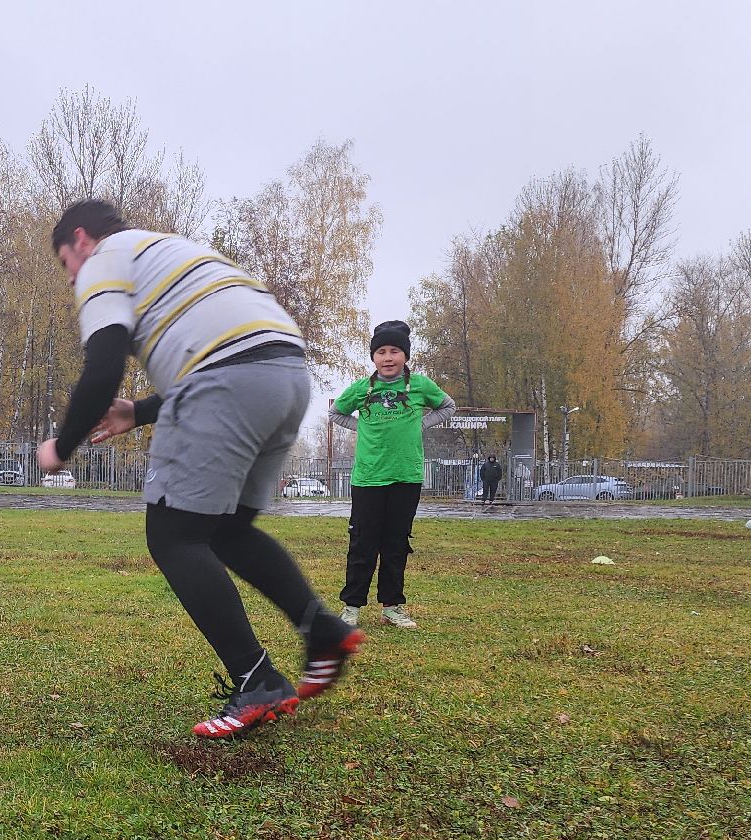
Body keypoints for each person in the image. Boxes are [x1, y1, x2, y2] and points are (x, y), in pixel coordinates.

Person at [38, 200, 362, 740]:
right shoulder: (172, 250)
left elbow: (103, 366)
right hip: (285, 375)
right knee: (229, 531)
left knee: (174, 536)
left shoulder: (103, 259)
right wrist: (138, 412)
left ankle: (257, 680)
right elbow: (222, 344)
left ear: (80, 240)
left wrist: (63, 447)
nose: (71, 275)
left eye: (65, 261)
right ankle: (323, 630)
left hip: (226, 380)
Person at [333, 322, 456, 629]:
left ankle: (392, 606)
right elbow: (336, 412)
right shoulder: (362, 389)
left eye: (395, 351)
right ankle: (351, 608)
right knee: (362, 543)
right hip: (368, 478)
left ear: (405, 355)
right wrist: (362, 427)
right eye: (381, 352)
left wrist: (420, 425)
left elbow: (448, 406)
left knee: (396, 543)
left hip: (406, 477)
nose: (388, 358)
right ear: (374, 357)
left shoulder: (420, 386)